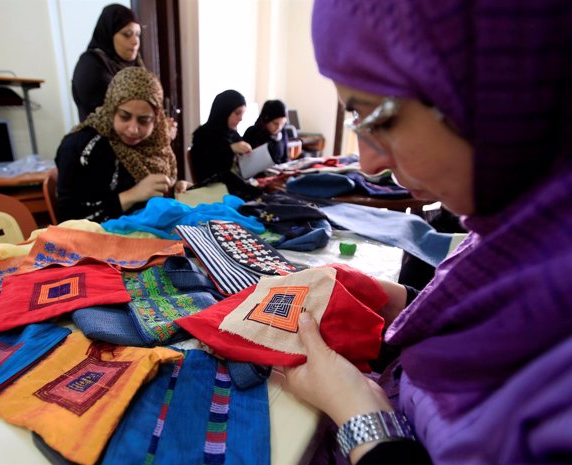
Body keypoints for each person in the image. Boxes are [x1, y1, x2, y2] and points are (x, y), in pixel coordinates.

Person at [282, 1, 572, 464]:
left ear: (495, 84)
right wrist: (409, 300)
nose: (369, 161)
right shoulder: (519, 235)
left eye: (379, 118)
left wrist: (361, 418)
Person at [56, 67, 191, 223]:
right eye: (124, 117)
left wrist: (175, 191)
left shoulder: (154, 144)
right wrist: (131, 196)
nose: (133, 129)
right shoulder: (80, 147)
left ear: (156, 120)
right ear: (112, 109)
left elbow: (153, 198)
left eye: (144, 120)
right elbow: (68, 218)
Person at [71, 4, 144, 123]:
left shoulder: (136, 66)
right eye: (127, 34)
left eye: (137, 34)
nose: (135, 41)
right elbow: (119, 114)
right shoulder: (91, 65)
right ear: (109, 34)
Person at [190, 90, 252, 184]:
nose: (241, 119)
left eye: (242, 114)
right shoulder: (202, 135)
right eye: (237, 113)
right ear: (224, 111)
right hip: (214, 189)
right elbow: (205, 172)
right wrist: (230, 149)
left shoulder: (232, 133)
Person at [243, 99, 289, 165]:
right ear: (266, 119)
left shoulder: (283, 132)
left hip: (278, 173)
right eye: (275, 123)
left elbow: (285, 159)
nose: (279, 127)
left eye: (282, 124)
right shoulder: (252, 132)